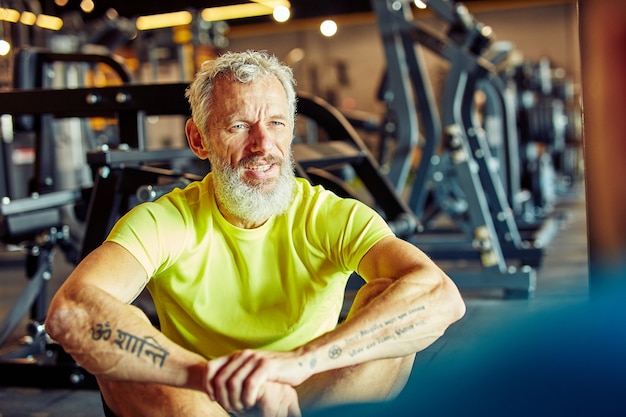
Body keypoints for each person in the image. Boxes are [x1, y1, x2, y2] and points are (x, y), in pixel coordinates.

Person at [46, 50, 465, 417]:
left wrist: (297, 364)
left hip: (306, 399)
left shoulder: (329, 215)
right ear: (199, 139)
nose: (263, 145)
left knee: (390, 297)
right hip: (196, 401)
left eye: (277, 123)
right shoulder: (165, 221)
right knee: (120, 352)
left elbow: (441, 296)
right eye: (239, 127)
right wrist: (212, 378)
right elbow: (71, 311)